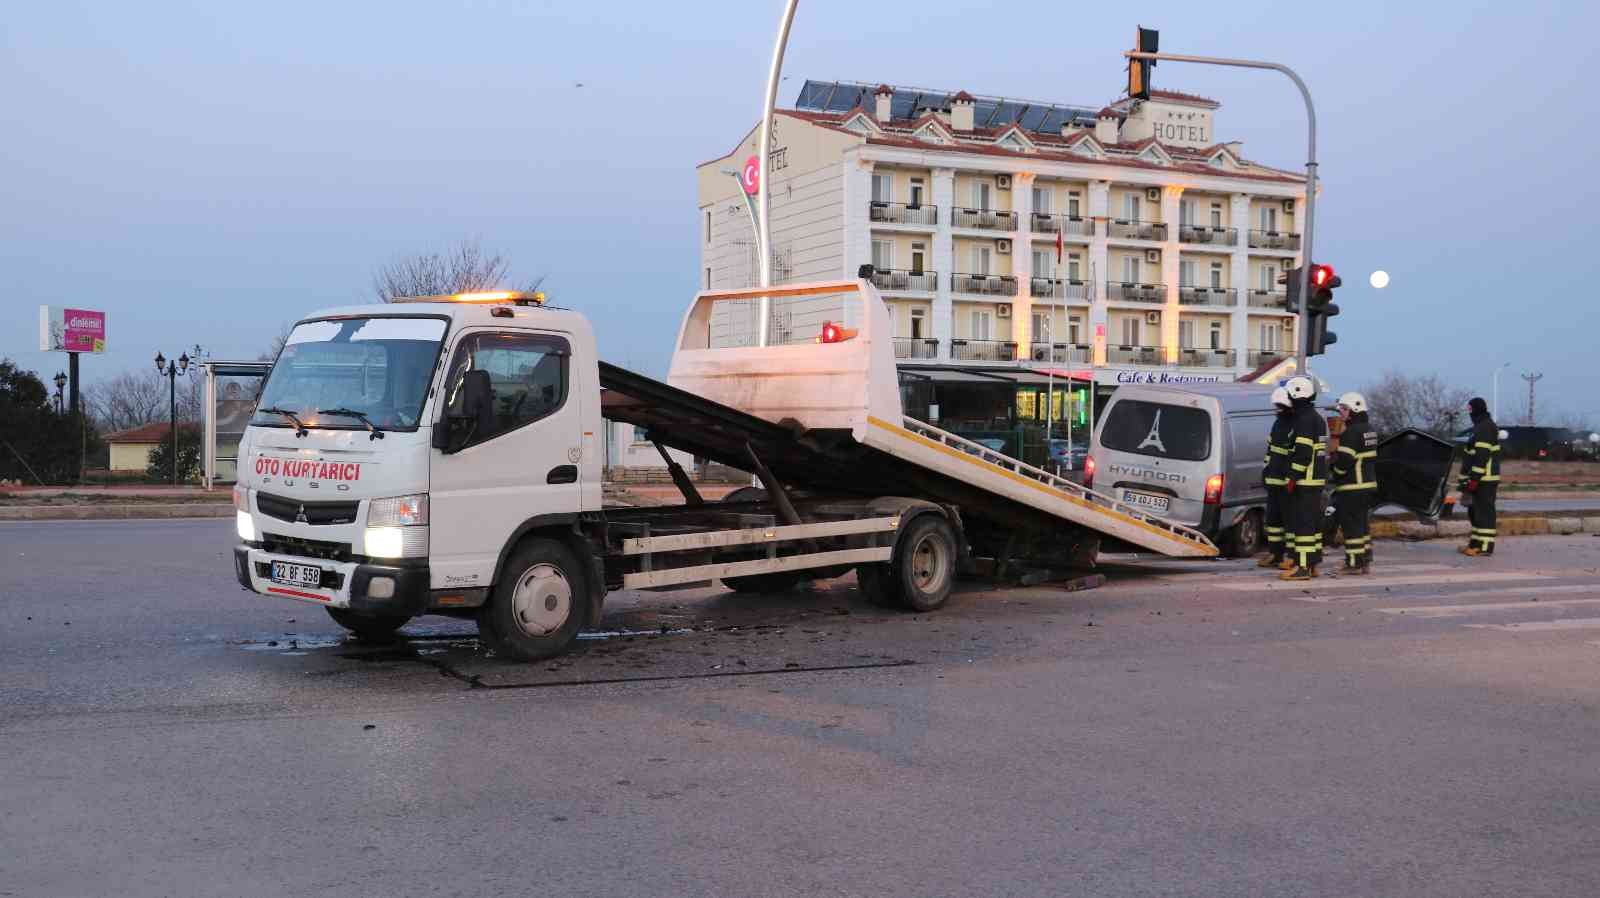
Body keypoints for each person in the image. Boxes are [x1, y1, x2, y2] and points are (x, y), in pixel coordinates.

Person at [1281, 375, 1328, 581]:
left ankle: (1303, 567)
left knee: (1303, 526)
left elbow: (1302, 452)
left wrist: (1292, 476)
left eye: (1290, 394)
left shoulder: (1303, 420)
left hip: (1305, 480)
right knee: (1312, 524)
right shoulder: (1316, 417)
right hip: (1316, 479)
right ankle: (1313, 564)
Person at [1331, 391, 1378, 574]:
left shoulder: (1351, 433)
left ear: (1354, 409)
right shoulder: (1369, 429)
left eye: (1343, 409)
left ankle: (1353, 563)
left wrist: (1335, 472)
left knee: (1351, 526)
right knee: (1362, 524)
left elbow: (1344, 462)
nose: (1340, 413)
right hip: (1367, 485)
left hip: (1352, 486)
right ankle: (1365, 559)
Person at [1459, 396, 1502, 556]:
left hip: (1485, 479)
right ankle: (1475, 543)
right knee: (1476, 512)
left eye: (1470, 409)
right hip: (1480, 478)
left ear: (1476, 409)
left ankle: (1484, 547)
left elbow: (1481, 456)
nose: (1469, 413)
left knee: (1484, 512)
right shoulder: (1480, 426)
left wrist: (1474, 480)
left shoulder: (1485, 427)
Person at [1258, 387, 1295, 570]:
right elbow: (1271, 450)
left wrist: (1291, 476)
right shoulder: (1278, 424)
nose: (1277, 409)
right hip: (1273, 479)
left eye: (1280, 406)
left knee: (1289, 521)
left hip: (1287, 482)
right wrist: (1265, 469)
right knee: (1273, 521)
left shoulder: (1295, 425)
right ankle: (1275, 554)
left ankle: (1289, 556)